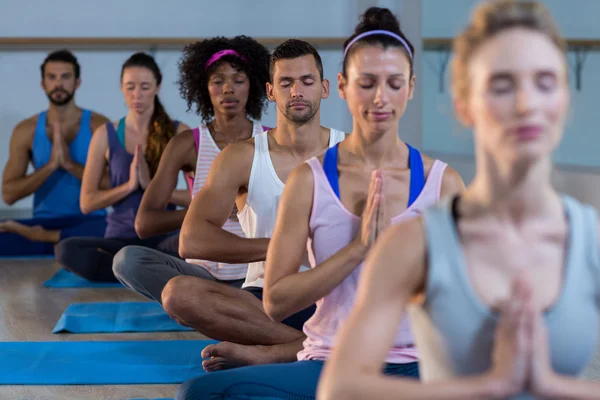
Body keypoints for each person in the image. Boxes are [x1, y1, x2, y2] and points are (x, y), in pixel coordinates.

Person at [174, 7, 466, 399]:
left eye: (394, 82)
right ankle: (286, 353)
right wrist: (357, 249)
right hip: (327, 355)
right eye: (366, 83)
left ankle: (277, 354)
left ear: (411, 87)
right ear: (344, 87)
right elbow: (274, 300)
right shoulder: (308, 179)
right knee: (198, 391)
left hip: (416, 364)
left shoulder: (443, 182)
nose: (380, 97)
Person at [318, 1, 600, 399]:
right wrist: (490, 386)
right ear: (463, 104)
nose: (526, 104)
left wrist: (550, 386)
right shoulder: (414, 244)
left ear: (565, 99)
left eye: (545, 82)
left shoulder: (591, 240)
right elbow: (340, 389)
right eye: (502, 85)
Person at [161, 39, 346, 370]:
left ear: (325, 87)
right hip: (266, 301)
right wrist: (281, 248)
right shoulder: (242, 156)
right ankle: (312, 346)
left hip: (336, 296)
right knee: (178, 294)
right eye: (286, 83)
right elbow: (192, 239)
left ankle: (271, 353)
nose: (297, 91)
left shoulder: (350, 151)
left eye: (307, 81)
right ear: (271, 91)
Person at [113, 35, 272, 302]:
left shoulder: (271, 140)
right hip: (203, 275)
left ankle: (223, 310)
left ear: (252, 86)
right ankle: (220, 308)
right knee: (126, 260)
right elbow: (144, 224)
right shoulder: (187, 144)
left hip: (259, 276)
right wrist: (203, 213)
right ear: (204, 88)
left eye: (238, 80)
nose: (228, 89)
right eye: (218, 81)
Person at [54, 52, 190, 282]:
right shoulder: (105, 135)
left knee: (193, 244)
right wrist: (128, 186)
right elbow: (87, 203)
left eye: (145, 87)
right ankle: (142, 271)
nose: (137, 95)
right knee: (66, 250)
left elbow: (197, 198)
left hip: (164, 238)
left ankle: (133, 270)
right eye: (130, 87)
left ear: (157, 88)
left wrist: (149, 187)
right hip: (119, 239)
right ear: (121, 88)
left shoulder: (179, 132)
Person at [0, 49, 110, 256]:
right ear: (43, 84)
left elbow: (118, 185)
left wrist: (70, 165)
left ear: (77, 82)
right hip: (44, 223)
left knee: (118, 231)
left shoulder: (99, 126)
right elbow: (9, 195)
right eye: (52, 77)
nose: (58, 84)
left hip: (92, 223)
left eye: (65, 77)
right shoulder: (26, 130)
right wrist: (50, 166)